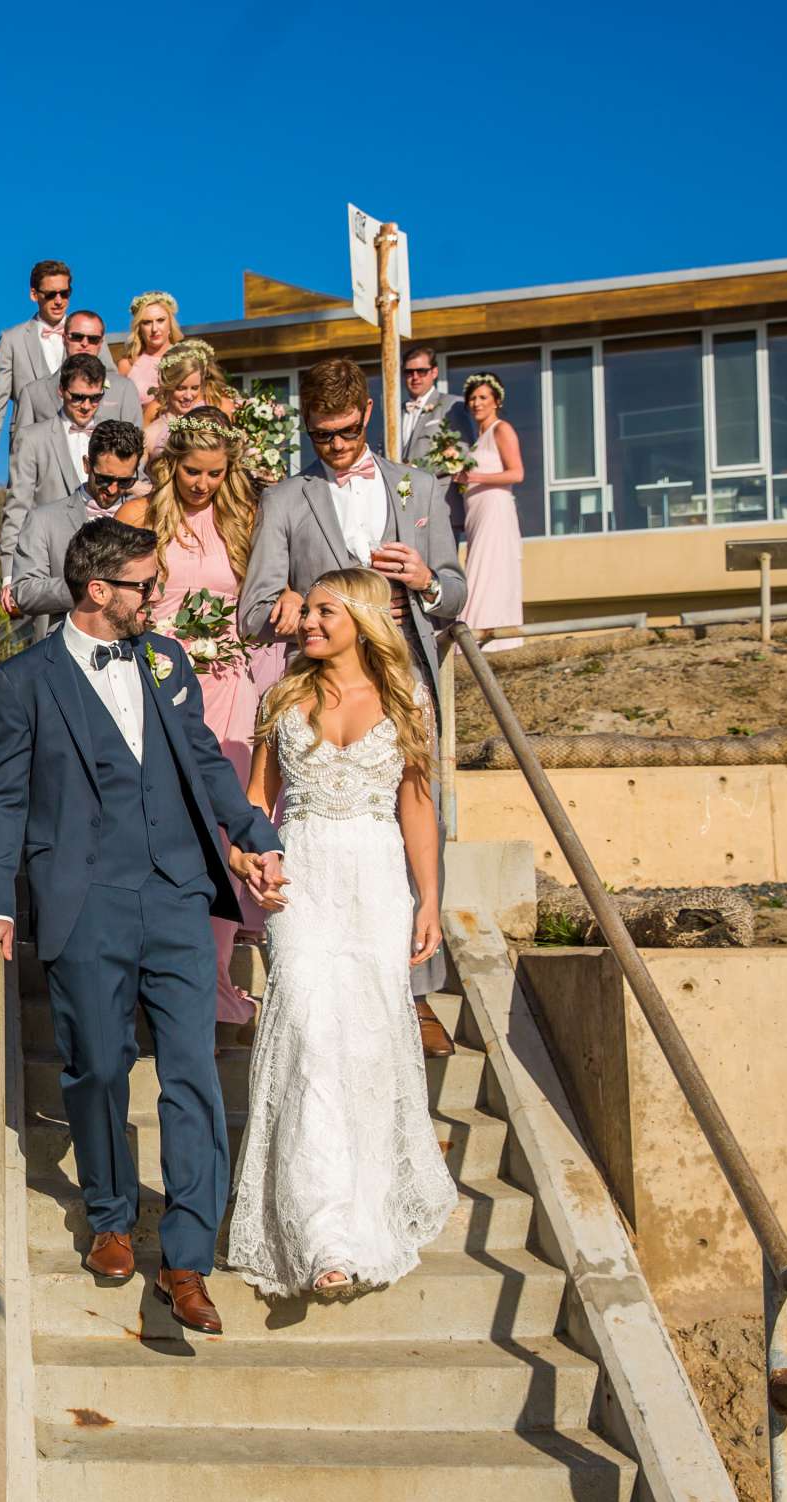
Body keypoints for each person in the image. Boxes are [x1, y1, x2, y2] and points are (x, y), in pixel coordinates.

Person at [0, 518, 286, 1334]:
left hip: (179, 893)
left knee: (192, 1074)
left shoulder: (165, 658)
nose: (159, 596)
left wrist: (252, 835)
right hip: (86, 899)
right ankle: (110, 1216)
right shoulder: (23, 682)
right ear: (97, 590)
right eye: (145, 585)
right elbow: (0, 797)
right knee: (97, 1067)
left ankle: (185, 1260)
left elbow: (203, 759)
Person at [225, 568, 457, 1300]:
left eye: (324, 610)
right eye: (307, 610)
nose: (306, 621)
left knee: (363, 1043)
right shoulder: (282, 697)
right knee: (307, 1035)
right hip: (304, 879)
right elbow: (257, 802)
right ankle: (318, 1229)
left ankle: (362, 1221)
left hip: (377, 881)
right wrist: (250, 860)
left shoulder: (405, 698)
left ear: (359, 617)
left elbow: (417, 805)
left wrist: (430, 899)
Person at [236, 356, 464, 1038]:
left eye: (343, 431)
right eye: (320, 435)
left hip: (403, 677)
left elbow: (456, 591)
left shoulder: (419, 489)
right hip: (322, 686)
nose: (333, 446)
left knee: (413, 813)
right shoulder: (283, 499)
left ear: (366, 414)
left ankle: (413, 988)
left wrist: (426, 579)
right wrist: (288, 602)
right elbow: (252, 611)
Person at [119, 407, 269, 1027]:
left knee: (221, 832)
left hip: (230, 688)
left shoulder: (247, 520)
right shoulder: (141, 514)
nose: (202, 483)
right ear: (171, 460)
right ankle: (151, 979)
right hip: (156, 684)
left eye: (215, 472)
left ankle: (211, 986)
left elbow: (268, 593)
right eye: (192, 470)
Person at [7, 418, 145, 636]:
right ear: (87, 465)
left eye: (125, 482)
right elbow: (24, 592)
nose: (112, 489)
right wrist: (84, 589)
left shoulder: (145, 518)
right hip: (67, 649)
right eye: (104, 479)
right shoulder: (44, 519)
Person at [0, 353, 113, 562]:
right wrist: (9, 573)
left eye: (95, 398)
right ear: (61, 391)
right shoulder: (32, 438)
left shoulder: (115, 434)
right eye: (78, 397)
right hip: (52, 560)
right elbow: (17, 507)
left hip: (108, 556)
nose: (86, 406)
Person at [0, 259, 74, 473]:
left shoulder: (86, 331)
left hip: (79, 442)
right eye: (50, 294)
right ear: (34, 295)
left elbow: (110, 384)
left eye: (64, 293)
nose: (59, 300)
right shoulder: (12, 340)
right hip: (31, 446)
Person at [457, 372, 526, 651]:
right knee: (478, 569)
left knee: (490, 571)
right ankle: (476, 638)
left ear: (496, 400)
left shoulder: (501, 429)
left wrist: (472, 478)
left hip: (495, 511)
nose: (476, 403)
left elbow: (517, 473)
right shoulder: (477, 438)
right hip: (477, 514)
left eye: (482, 397)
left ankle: (487, 639)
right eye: (472, 398)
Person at [395, 345, 469, 535]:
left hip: (441, 504)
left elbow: (461, 454)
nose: (415, 377)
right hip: (404, 507)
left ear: (434, 372)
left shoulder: (452, 405)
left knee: (441, 565)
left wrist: (416, 470)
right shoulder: (394, 412)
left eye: (422, 371)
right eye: (409, 372)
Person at [143, 337, 240, 461]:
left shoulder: (215, 423)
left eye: (194, 388)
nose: (188, 396)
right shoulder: (151, 434)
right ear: (167, 385)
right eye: (181, 388)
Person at [63, 309, 144, 428]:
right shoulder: (36, 391)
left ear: (101, 343)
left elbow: (135, 440)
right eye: (77, 337)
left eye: (93, 339)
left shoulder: (124, 388)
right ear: (64, 338)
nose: (85, 343)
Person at [120, 291, 181, 420]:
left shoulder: (187, 359)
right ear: (139, 327)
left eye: (160, 320)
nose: (154, 329)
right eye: (147, 322)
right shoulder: (128, 364)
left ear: (170, 323)